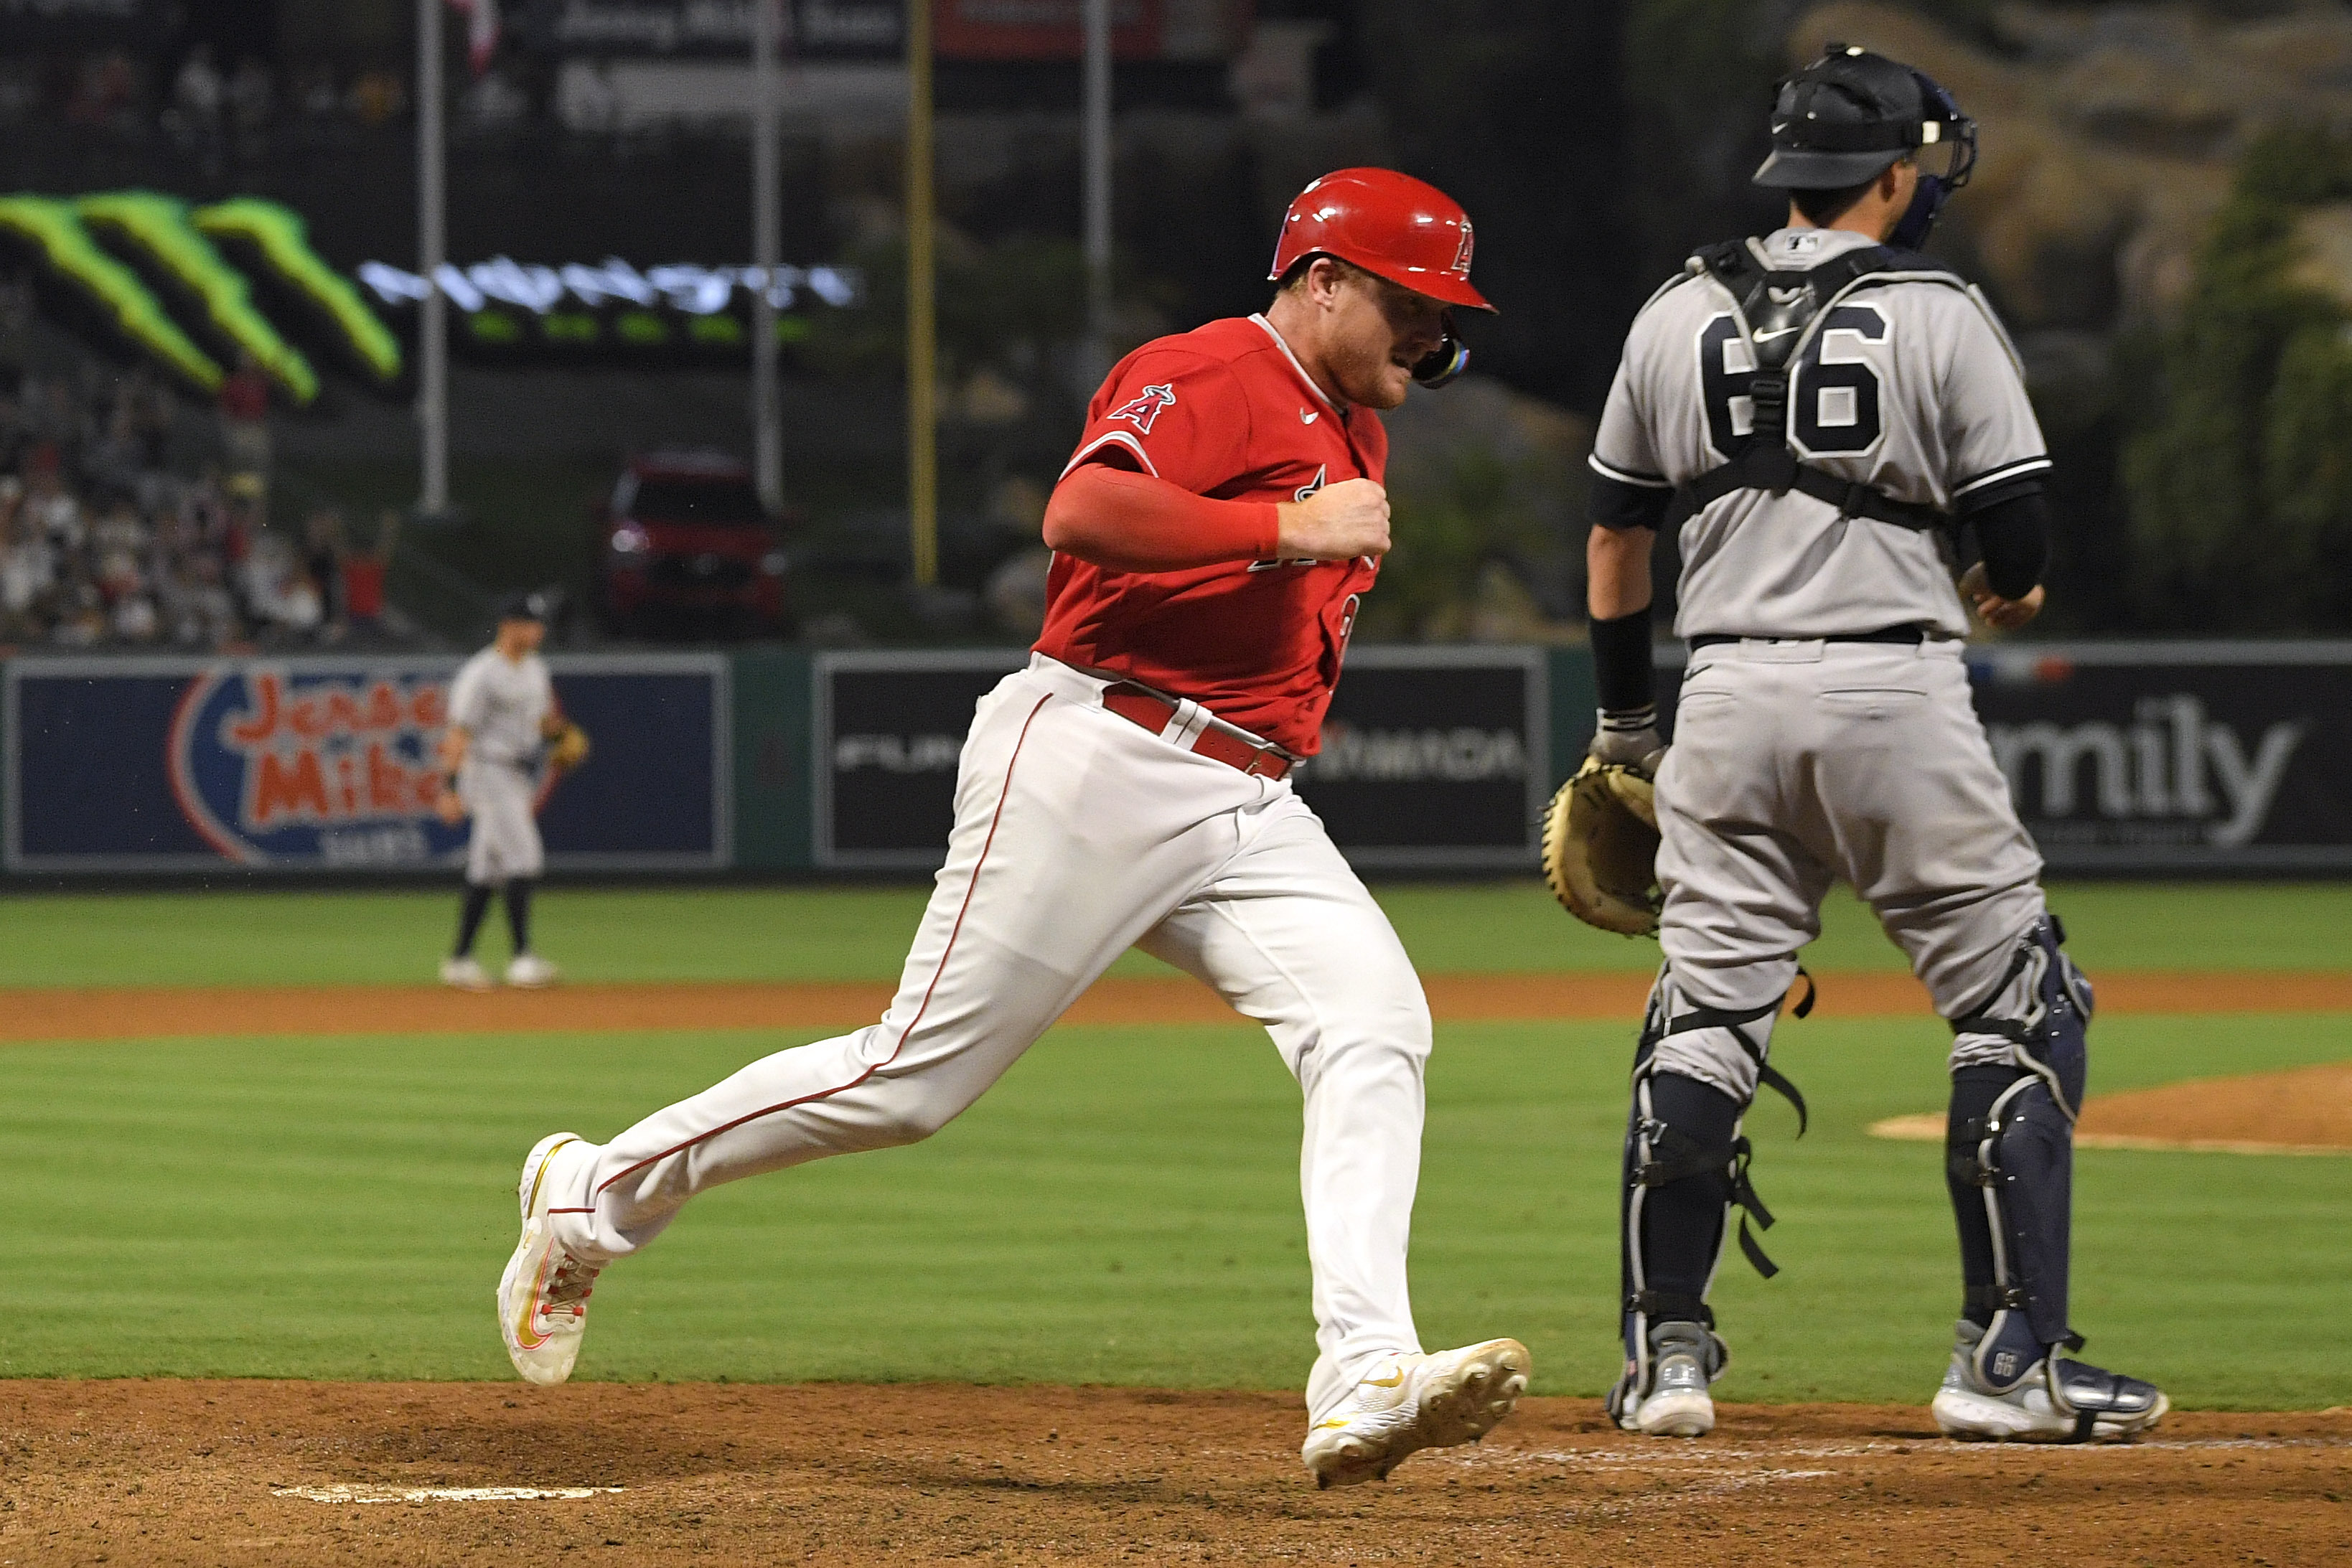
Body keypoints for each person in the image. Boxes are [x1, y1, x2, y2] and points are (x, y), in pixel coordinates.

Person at [495, 168, 1530, 1488]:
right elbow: (1081, 512)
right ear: (1320, 279)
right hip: (1100, 755)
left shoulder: (1351, 418)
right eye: (1411, 303)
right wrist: (1282, 527)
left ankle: (1365, 1375)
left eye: (1444, 318)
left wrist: (1288, 536)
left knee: (1374, 1024)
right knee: (908, 1081)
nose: (1431, 339)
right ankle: (592, 1189)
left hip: (1244, 795)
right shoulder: (1211, 371)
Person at [1580, 44, 2167, 1445]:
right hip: (1890, 699)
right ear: (1893, 176)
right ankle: (2004, 1359)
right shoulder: (1938, 309)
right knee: (2020, 1008)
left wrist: (1622, 725)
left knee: (1706, 1016)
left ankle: (1665, 1360)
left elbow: (1615, 538)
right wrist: (2009, 584)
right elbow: (2014, 528)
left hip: (1720, 700)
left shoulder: (1673, 308)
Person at [437, 591, 563, 990]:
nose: (539, 630)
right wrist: (450, 788)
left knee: (487, 869)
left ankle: (459, 960)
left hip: (518, 774)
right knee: (524, 858)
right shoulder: (482, 673)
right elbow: (459, 733)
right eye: (532, 623)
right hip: (487, 772)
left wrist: (561, 736)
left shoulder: (535, 669)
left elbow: (539, 722)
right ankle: (522, 957)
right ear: (509, 625)